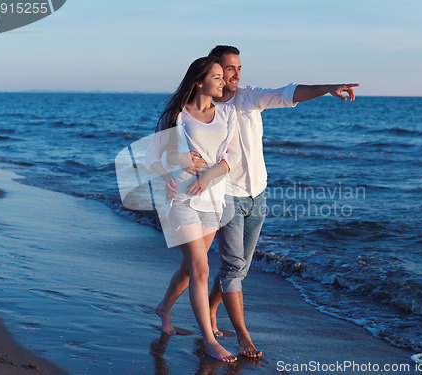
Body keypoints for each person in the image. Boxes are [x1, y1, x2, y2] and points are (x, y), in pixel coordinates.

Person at [152, 45, 359, 358]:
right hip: (219, 196)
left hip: (253, 192)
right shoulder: (186, 112)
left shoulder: (245, 99)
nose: (233, 76)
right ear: (210, 71)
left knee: (223, 268)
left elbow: (287, 93)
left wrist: (327, 87)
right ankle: (232, 336)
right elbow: (160, 151)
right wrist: (171, 170)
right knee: (215, 268)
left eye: (237, 69)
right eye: (226, 70)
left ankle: (183, 308)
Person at [145, 56, 241, 362]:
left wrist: (207, 175)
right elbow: (151, 156)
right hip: (180, 201)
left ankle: (163, 308)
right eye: (216, 77)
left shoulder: (227, 114)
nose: (223, 82)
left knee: (189, 270)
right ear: (198, 81)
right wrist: (170, 172)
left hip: (213, 200)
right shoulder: (176, 116)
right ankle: (210, 341)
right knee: (201, 268)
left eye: (222, 77)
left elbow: (233, 158)